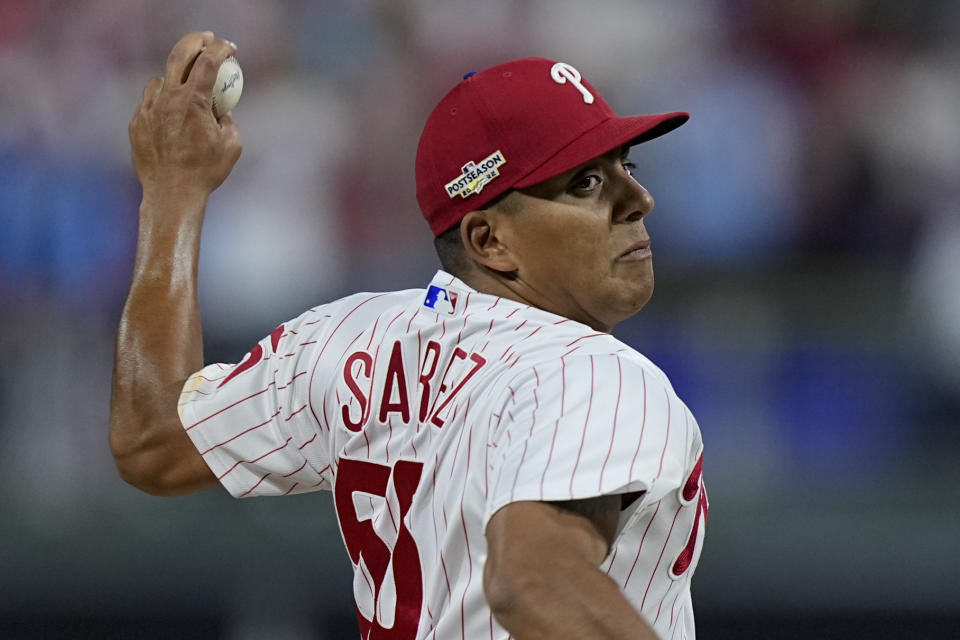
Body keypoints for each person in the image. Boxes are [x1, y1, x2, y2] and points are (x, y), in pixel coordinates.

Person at [111, 31, 707, 640]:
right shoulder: (595, 375)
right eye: (585, 183)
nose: (640, 199)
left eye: (625, 167)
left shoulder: (347, 340)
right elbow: (533, 579)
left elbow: (153, 439)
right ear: (489, 242)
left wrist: (171, 193)